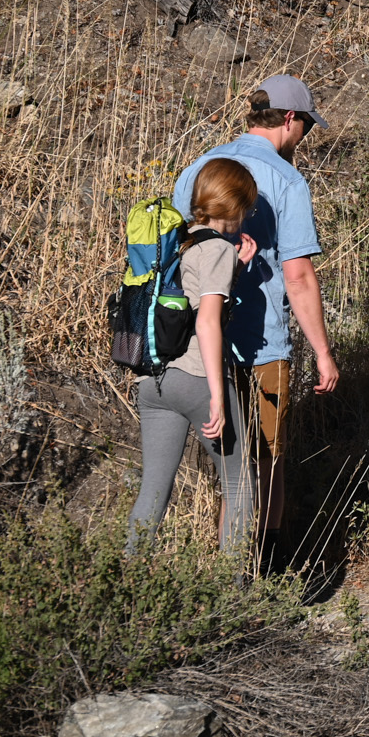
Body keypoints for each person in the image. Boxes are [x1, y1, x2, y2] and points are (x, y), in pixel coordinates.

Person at [172, 74, 339, 551]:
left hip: (200, 348)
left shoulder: (198, 168)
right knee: (268, 460)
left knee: (231, 464)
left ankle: (226, 575)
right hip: (264, 345)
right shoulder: (287, 180)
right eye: (306, 124)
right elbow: (298, 276)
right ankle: (266, 571)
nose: (304, 136)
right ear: (290, 119)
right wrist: (323, 354)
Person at [129, 159, 259, 552]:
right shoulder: (218, 247)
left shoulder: (178, 239)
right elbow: (206, 323)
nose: (248, 214)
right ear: (234, 205)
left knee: (153, 491)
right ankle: (230, 597)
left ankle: (124, 587)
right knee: (241, 488)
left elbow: (187, 293)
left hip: (152, 379)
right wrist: (218, 397)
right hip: (195, 379)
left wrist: (235, 270)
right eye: (248, 207)